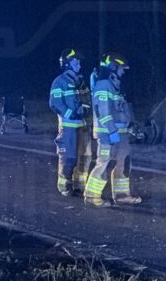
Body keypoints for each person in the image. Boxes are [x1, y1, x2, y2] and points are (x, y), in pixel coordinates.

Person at [84, 53, 141, 207]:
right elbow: (103, 111)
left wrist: (131, 125)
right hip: (108, 133)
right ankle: (91, 196)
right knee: (105, 164)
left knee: (124, 163)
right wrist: (111, 131)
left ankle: (122, 195)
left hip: (121, 134)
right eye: (122, 68)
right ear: (113, 67)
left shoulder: (115, 85)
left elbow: (122, 110)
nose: (123, 71)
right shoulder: (103, 85)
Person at [48, 48, 92, 196]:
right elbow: (55, 103)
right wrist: (70, 113)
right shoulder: (59, 82)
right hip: (68, 126)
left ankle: (79, 186)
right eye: (75, 61)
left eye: (79, 61)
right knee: (69, 157)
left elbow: (87, 100)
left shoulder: (81, 81)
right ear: (67, 64)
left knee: (85, 157)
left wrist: (86, 109)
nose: (79, 64)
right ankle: (65, 185)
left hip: (83, 125)